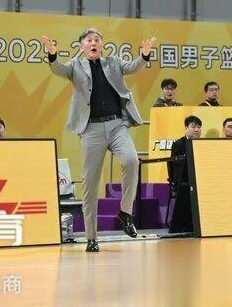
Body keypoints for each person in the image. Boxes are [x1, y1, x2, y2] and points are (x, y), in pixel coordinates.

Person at [41, 28, 157, 253]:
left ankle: (125, 212)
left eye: (96, 40)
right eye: (89, 40)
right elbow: (58, 69)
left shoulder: (113, 62)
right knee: (90, 183)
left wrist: (144, 54)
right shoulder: (75, 66)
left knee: (131, 160)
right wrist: (52, 54)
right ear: (82, 46)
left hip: (117, 124)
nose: (93, 43)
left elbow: (133, 67)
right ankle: (91, 237)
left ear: (101, 44)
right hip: (91, 129)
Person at [168, 115, 202, 235]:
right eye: (193, 126)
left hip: (201, 181)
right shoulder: (178, 144)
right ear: (186, 128)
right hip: (184, 181)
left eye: (199, 127)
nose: (196, 129)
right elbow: (176, 168)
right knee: (186, 188)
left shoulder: (203, 144)